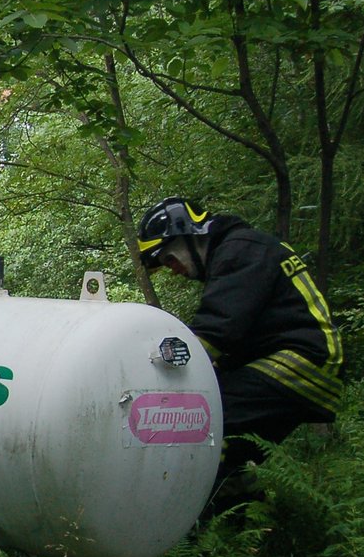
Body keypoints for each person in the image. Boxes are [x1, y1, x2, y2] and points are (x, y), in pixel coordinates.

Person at [137, 196, 342, 488]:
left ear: (189, 238)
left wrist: (154, 379)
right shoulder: (242, 249)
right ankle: (238, 515)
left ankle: (202, 516)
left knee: (200, 419)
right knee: (236, 448)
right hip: (304, 363)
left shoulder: (239, 251)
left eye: (169, 258)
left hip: (300, 363)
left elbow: (215, 332)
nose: (173, 270)